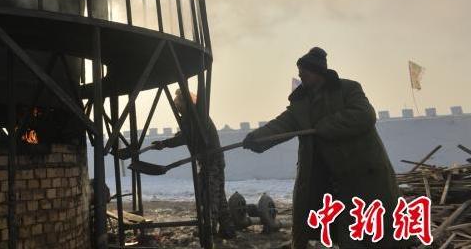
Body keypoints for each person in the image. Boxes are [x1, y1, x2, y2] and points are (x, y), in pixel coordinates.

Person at [242, 47, 404, 248]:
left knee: (372, 228)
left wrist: (325, 126)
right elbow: (281, 125)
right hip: (324, 176)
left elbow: (364, 115)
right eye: (300, 72)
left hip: (362, 173)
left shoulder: (348, 89)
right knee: (340, 226)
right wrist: (256, 138)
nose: (301, 75)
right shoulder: (301, 103)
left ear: (318, 72)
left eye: (304, 72)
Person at [152, 89, 237, 239]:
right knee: (217, 194)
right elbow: (183, 136)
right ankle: (228, 229)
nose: (177, 106)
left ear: (186, 103)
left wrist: (164, 144)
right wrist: (164, 143)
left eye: (179, 103)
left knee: (210, 195)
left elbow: (183, 138)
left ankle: (208, 229)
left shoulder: (196, 116)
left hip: (212, 160)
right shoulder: (189, 118)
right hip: (206, 161)